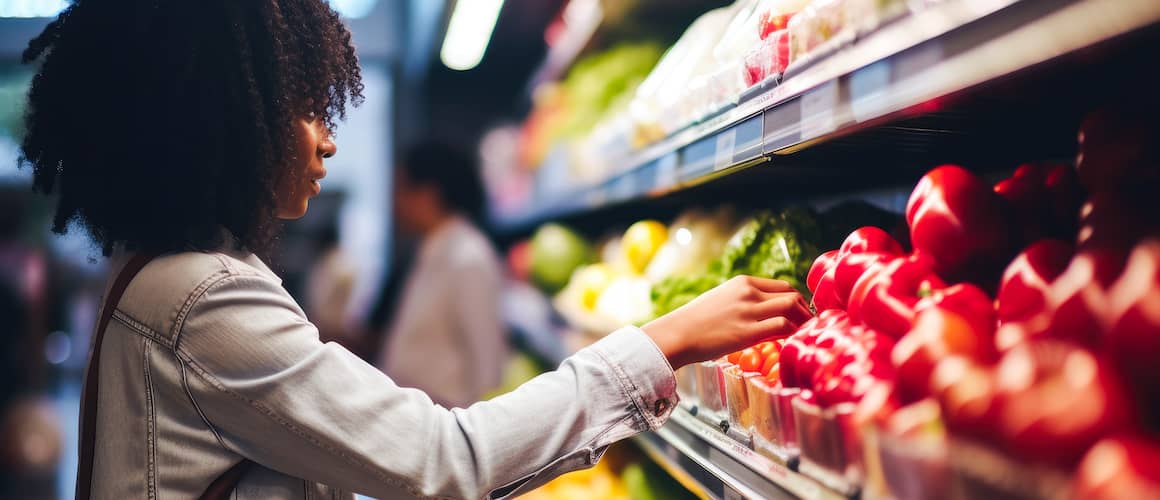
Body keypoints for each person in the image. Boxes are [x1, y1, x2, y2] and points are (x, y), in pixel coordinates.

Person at [18, 1, 812, 498]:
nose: (328, 139)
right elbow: (442, 460)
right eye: (302, 107)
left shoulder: (160, 278)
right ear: (222, 120)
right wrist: (662, 339)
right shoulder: (201, 296)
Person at [378, 141, 506, 408]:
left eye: (401, 189)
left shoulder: (468, 257)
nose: (394, 201)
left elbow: (489, 374)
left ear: (428, 194)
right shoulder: (433, 250)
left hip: (445, 435)